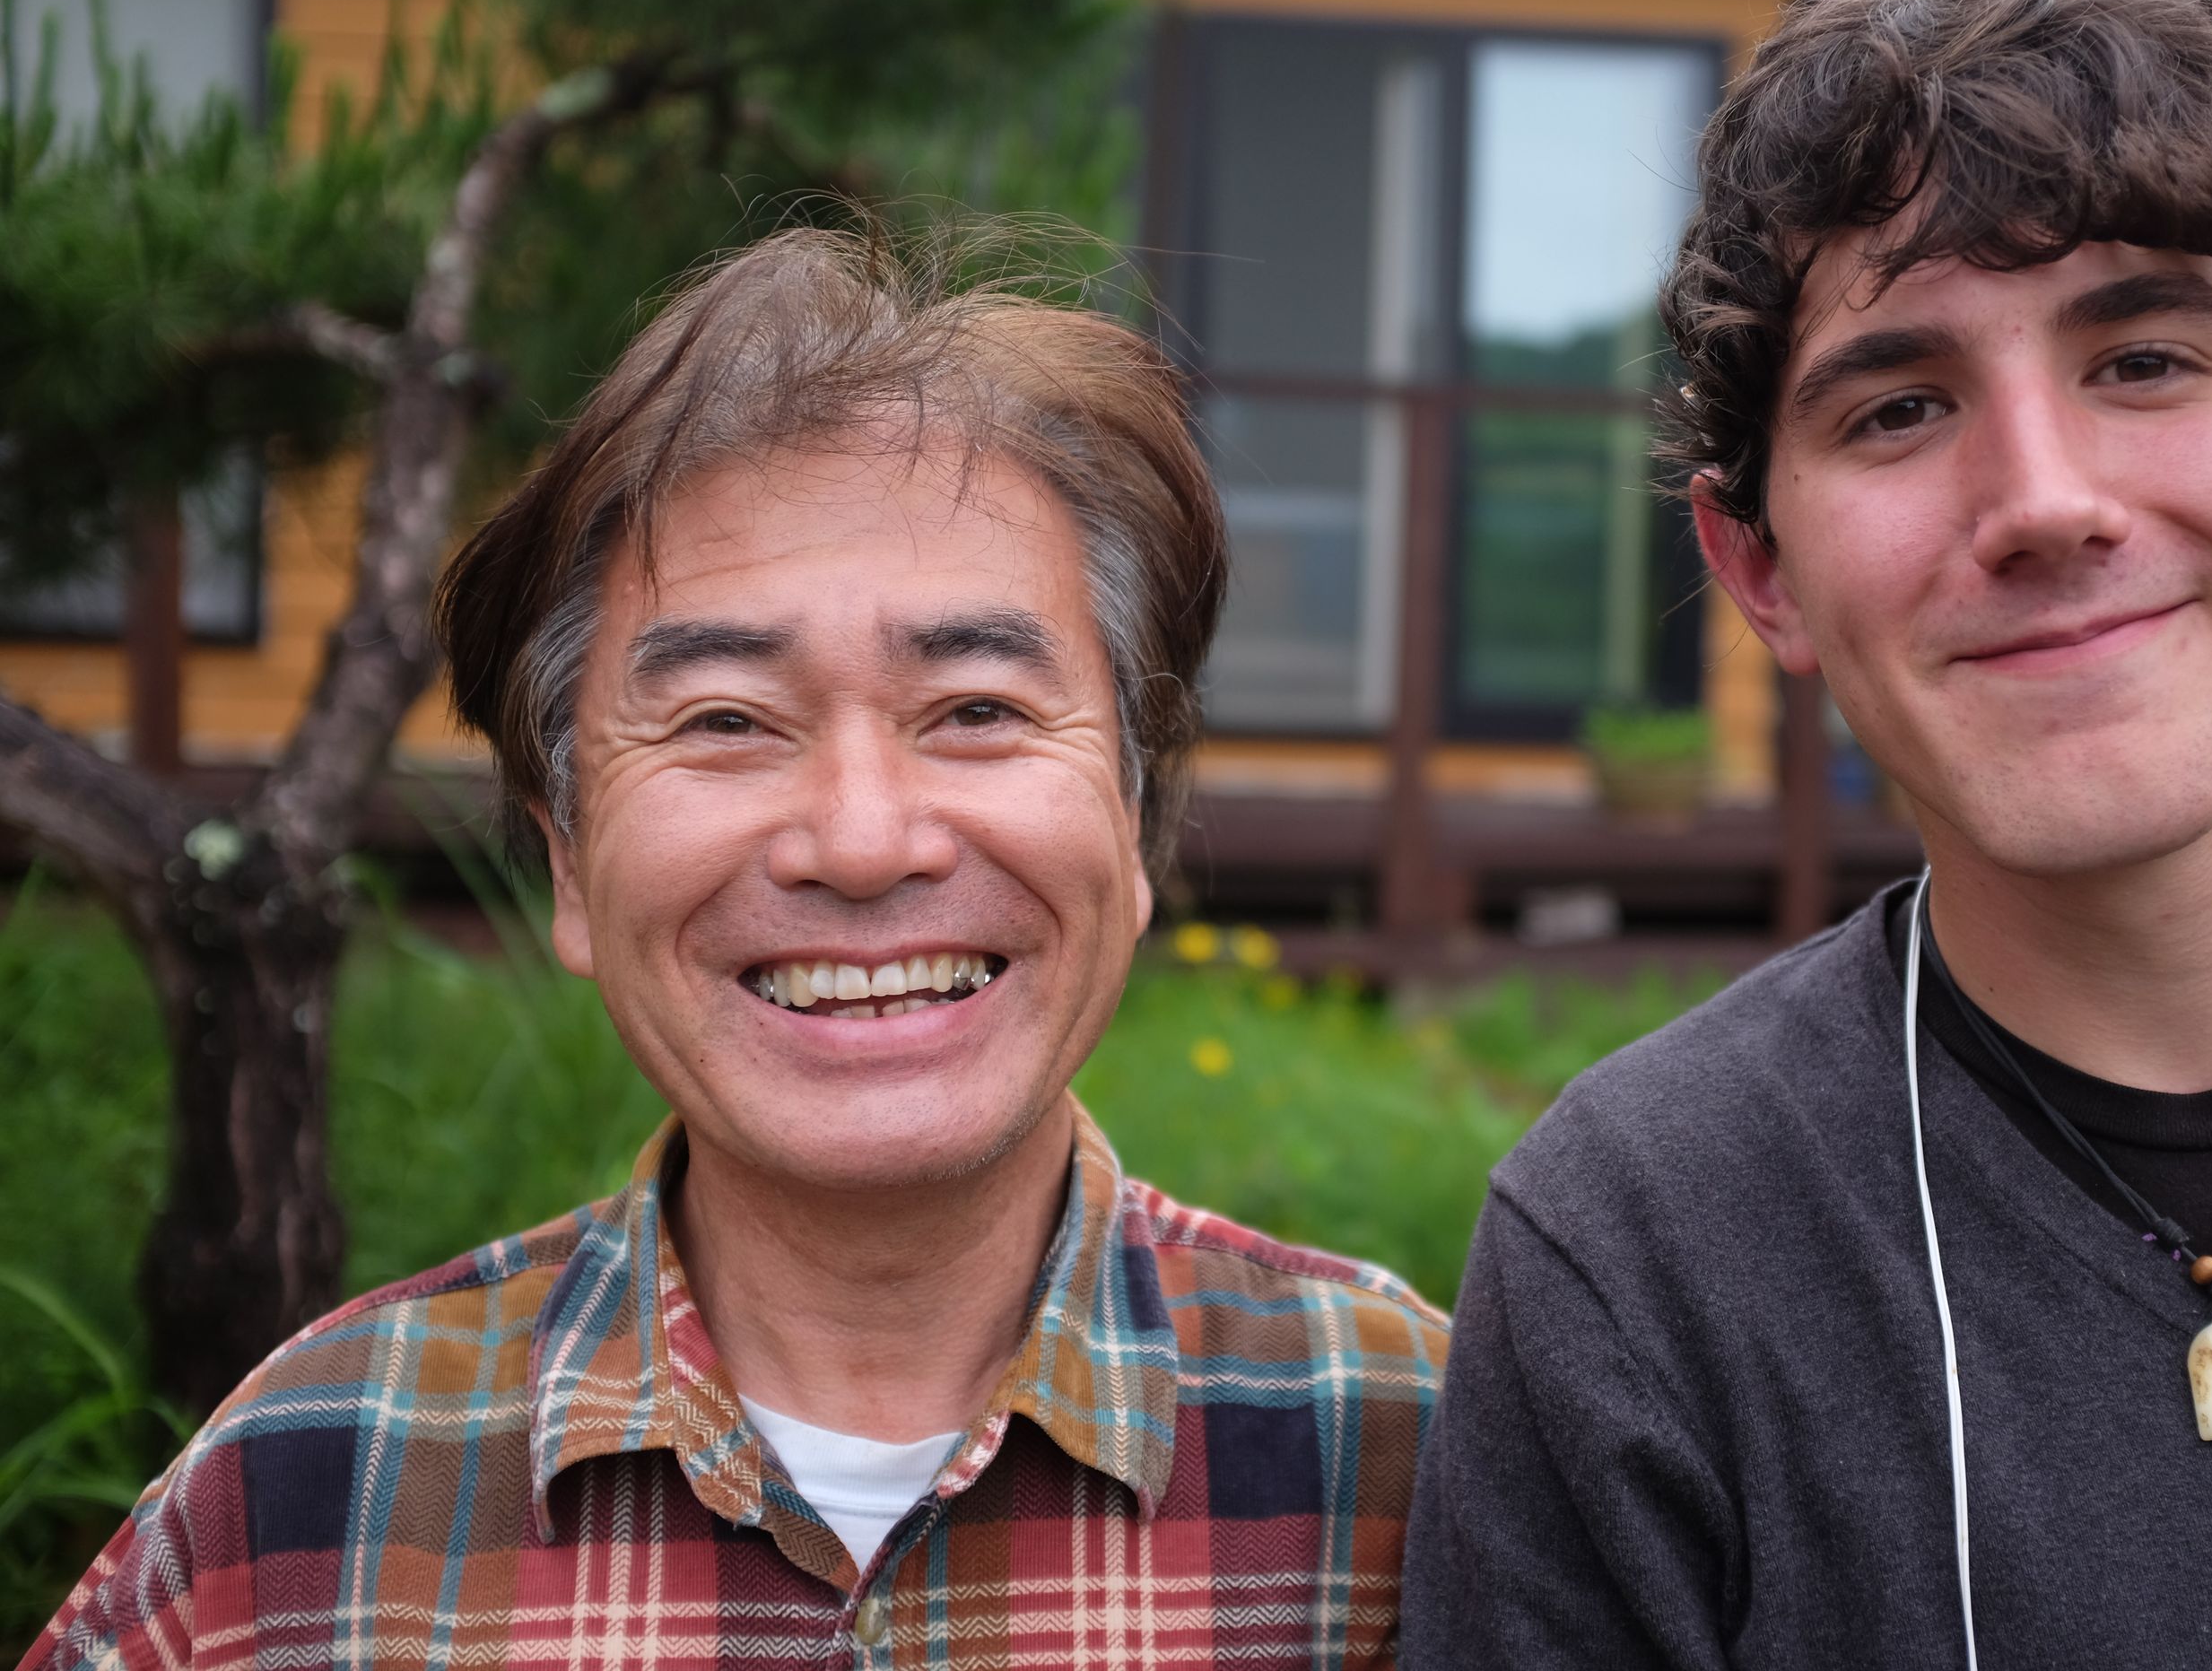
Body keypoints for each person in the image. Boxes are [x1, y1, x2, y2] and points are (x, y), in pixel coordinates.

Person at [1402, 0, 2212, 1668]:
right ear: (1759, 572)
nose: (2044, 501)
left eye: (2144, 359)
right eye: (1902, 406)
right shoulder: (1641, 1260)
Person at [23, 230, 1446, 1671]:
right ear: (569, 859)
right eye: (723, 722)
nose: (862, 838)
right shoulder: (306, 1495)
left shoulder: (1409, 1451)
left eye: (974, 708)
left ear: (1136, 823)